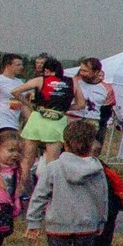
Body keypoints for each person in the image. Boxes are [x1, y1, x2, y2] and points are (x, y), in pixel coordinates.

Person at [25, 118, 109, 246]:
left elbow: (39, 195)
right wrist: (101, 219)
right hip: (87, 224)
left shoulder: (53, 167)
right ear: (91, 144)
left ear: (65, 143)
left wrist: (33, 221)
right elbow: (102, 197)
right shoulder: (97, 169)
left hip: (58, 223)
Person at [16, 56, 75, 200]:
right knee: (52, 162)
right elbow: (81, 104)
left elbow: (15, 91)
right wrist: (64, 107)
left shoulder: (40, 80)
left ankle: (17, 192)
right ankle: (46, 194)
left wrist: (29, 104)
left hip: (38, 117)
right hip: (57, 120)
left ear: (47, 70)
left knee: (27, 159)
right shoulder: (72, 82)